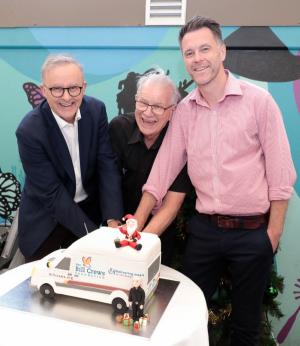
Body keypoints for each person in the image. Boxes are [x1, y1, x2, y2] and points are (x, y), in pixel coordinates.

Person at [140, 16, 297, 345]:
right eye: (188, 53)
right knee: (183, 315)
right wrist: (137, 223)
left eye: (204, 49)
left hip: (253, 234)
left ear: (222, 51)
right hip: (205, 233)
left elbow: (281, 174)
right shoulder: (183, 111)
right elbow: (163, 171)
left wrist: (272, 234)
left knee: (246, 327)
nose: (197, 58)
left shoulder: (259, 103)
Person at [16, 54, 123, 262]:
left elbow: (106, 165)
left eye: (74, 88)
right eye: (57, 89)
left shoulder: (96, 110)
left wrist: (112, 220)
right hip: (47, 220)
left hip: (89, 212)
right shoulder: (29, 131)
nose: (66, 97)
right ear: (43, 90)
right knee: (43, 286)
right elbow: (52, 195)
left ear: (84, 87)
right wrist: (94, 236)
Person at [109, 70, 192, 265]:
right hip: (116, 230)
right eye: (143, 103)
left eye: (157, 107)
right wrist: (115, 227)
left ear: (172, 111)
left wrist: (139, 246)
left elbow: (171, 205)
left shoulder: (181, 143)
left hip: (158, 234)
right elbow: (108, 182)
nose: (147, 112)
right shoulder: (118, 129)